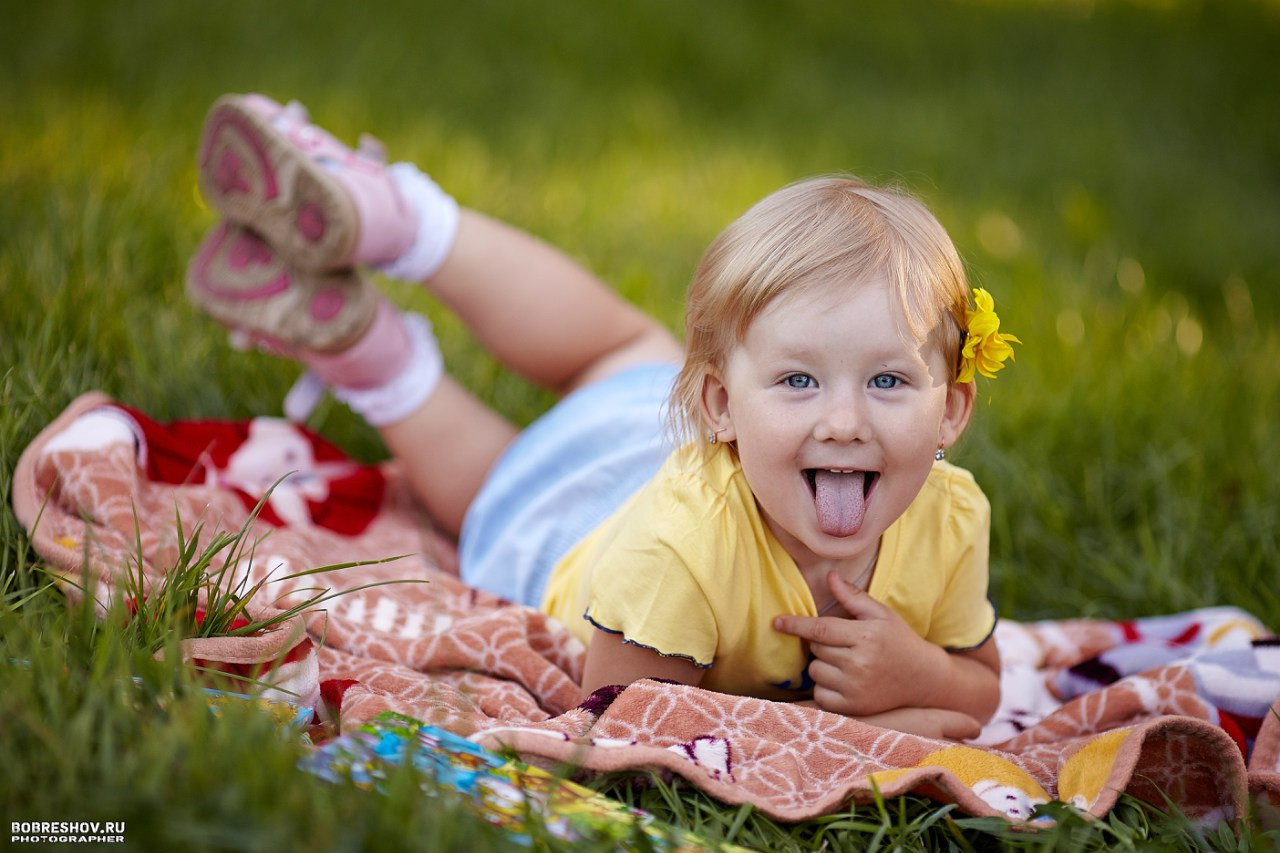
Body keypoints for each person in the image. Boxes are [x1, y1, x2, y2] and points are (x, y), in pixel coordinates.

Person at [187, 94, 1020, 739]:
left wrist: (923, 674)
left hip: (667, 429)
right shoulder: (674, 556)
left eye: (886, 381)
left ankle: (388, 263)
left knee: (616, 342)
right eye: (801, 378)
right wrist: (878, 720)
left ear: (951, 409)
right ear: (718, 402)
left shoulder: (952, 517)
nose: (845, 421)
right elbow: (617, 719)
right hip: (571, 520)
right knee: (489, 485)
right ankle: (382, 287)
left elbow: (976, 683)